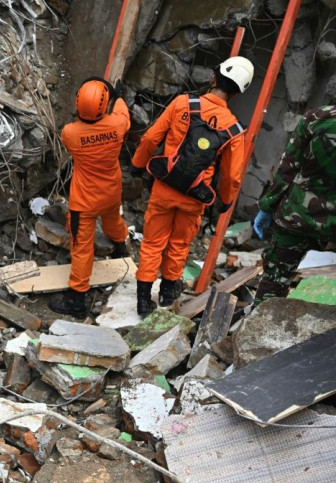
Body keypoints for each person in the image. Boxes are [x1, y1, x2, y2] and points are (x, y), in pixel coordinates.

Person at [130, 56, 254, 316]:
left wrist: (138, 163)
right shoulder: (234, 130)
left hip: (164, 189)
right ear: (238, 92)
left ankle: (143, 300)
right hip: (194, 197)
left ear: (213, 78)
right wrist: (225, 201)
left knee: (152, 243)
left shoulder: (182, 103)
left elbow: (152, 137)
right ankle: (166, 295)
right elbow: (231, 176)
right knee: (178, 244)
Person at [49, 78, 131, 318]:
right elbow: (121, 109)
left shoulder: (70, 133)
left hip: (84, 202)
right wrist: (117, 96)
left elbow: (81, 129)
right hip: (111, 191)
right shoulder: (117, 125)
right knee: (112, 221)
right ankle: (120, 248)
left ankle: (76, 299)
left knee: (82, 248)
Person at [252, 104, 336, 303]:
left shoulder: (317, 117)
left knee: (274, 283)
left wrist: (267, 206)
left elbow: (288, 167)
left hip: (297, 215)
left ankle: (257, 331)